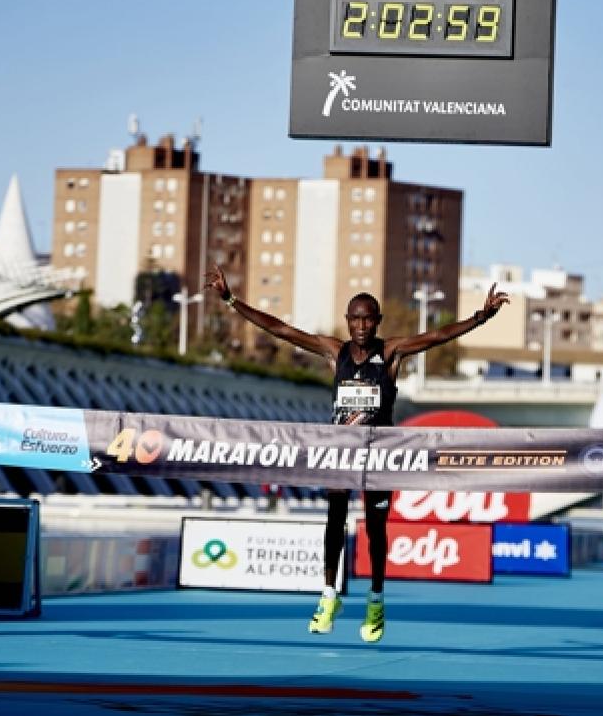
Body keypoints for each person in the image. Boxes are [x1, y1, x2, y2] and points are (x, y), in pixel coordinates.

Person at [205, 264, 507, 642]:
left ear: (377, 321)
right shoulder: (335, 351)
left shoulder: (392, 352)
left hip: (379, 454)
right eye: (355, 320)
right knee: (333, 523)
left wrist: (480, 318)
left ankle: (376, 601)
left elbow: (437, 336)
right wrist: (232, 300)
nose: (361, 327)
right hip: (341, 454)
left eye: (368, 320)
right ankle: (328, 596)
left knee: (376, 529)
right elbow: (282, 330)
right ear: (348, 322)